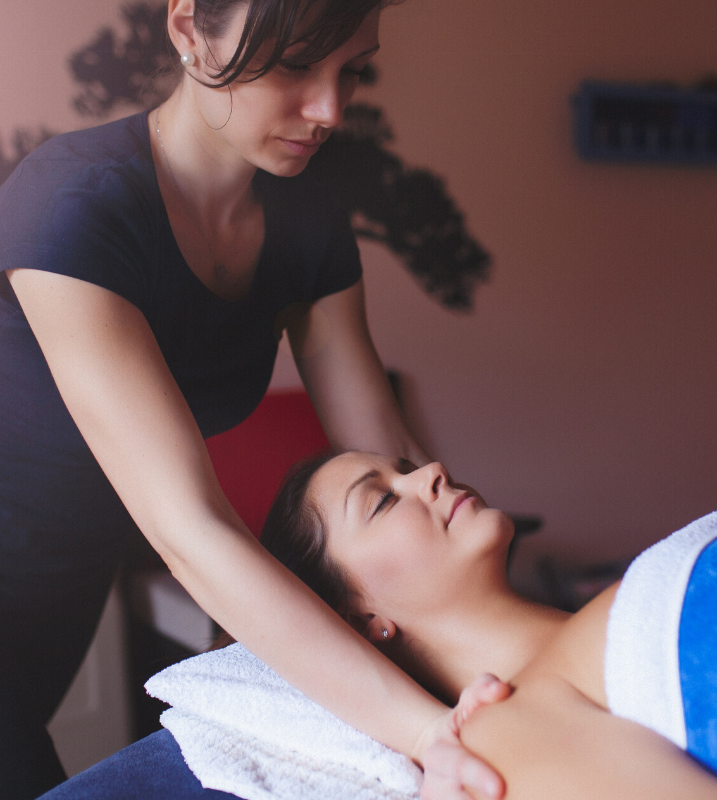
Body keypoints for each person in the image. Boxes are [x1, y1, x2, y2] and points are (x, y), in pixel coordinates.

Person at [0, 2, 506, 797]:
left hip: (53, 612)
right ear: (187, 29)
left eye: (353, 70)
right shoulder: (77, 204)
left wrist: (498, 645)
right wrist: (428, 732)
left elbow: (386, 449)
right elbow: (190, 528)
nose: (331, 110)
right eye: (294, 64)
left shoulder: (305, 213)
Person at [259, 450, 717, 800]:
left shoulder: (617, 608)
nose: (430, 473)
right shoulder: (501, 740)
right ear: (363, 619)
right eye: (380, 500)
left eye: (406, 465)